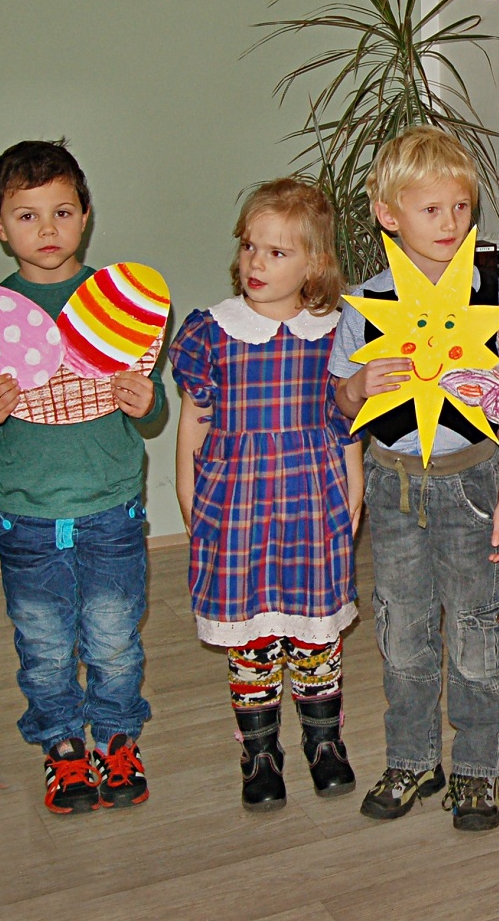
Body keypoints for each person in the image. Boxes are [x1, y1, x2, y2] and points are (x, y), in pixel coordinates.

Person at [0, 139, 164, 814]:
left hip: (111, 507)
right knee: (43, 641)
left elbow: (152, 404)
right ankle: (63, 745)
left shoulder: (118, 304)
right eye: (27, 215)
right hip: (25, 514)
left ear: (85, 216)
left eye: (62, 212)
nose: (47, 229)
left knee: (114, 636)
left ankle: (118, 738)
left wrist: (147, 401)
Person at [331, 127, 499, 832]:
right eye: (431, 209)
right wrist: (358, 387)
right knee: (402, 629)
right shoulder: (365, 303)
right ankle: (412, 758)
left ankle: (476, 768)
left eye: (461, 207)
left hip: (473, 484)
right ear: (389, 214)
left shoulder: (494, 294)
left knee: (478, 633)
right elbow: (341, 401)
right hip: (393, 487)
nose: (450, 223)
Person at [170, 178, 364, 812]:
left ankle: (323, 741)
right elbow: (194, 425)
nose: (257, 262)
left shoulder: (334, 333)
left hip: (312, 498)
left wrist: (354, 487)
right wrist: (191, 501)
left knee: (315, 633)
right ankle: (259, 752)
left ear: (314, 264)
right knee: (250, 637)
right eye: (250, 246)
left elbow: (346, 421)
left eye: (278, 252)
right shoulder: (213, 331)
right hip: (237, 506)